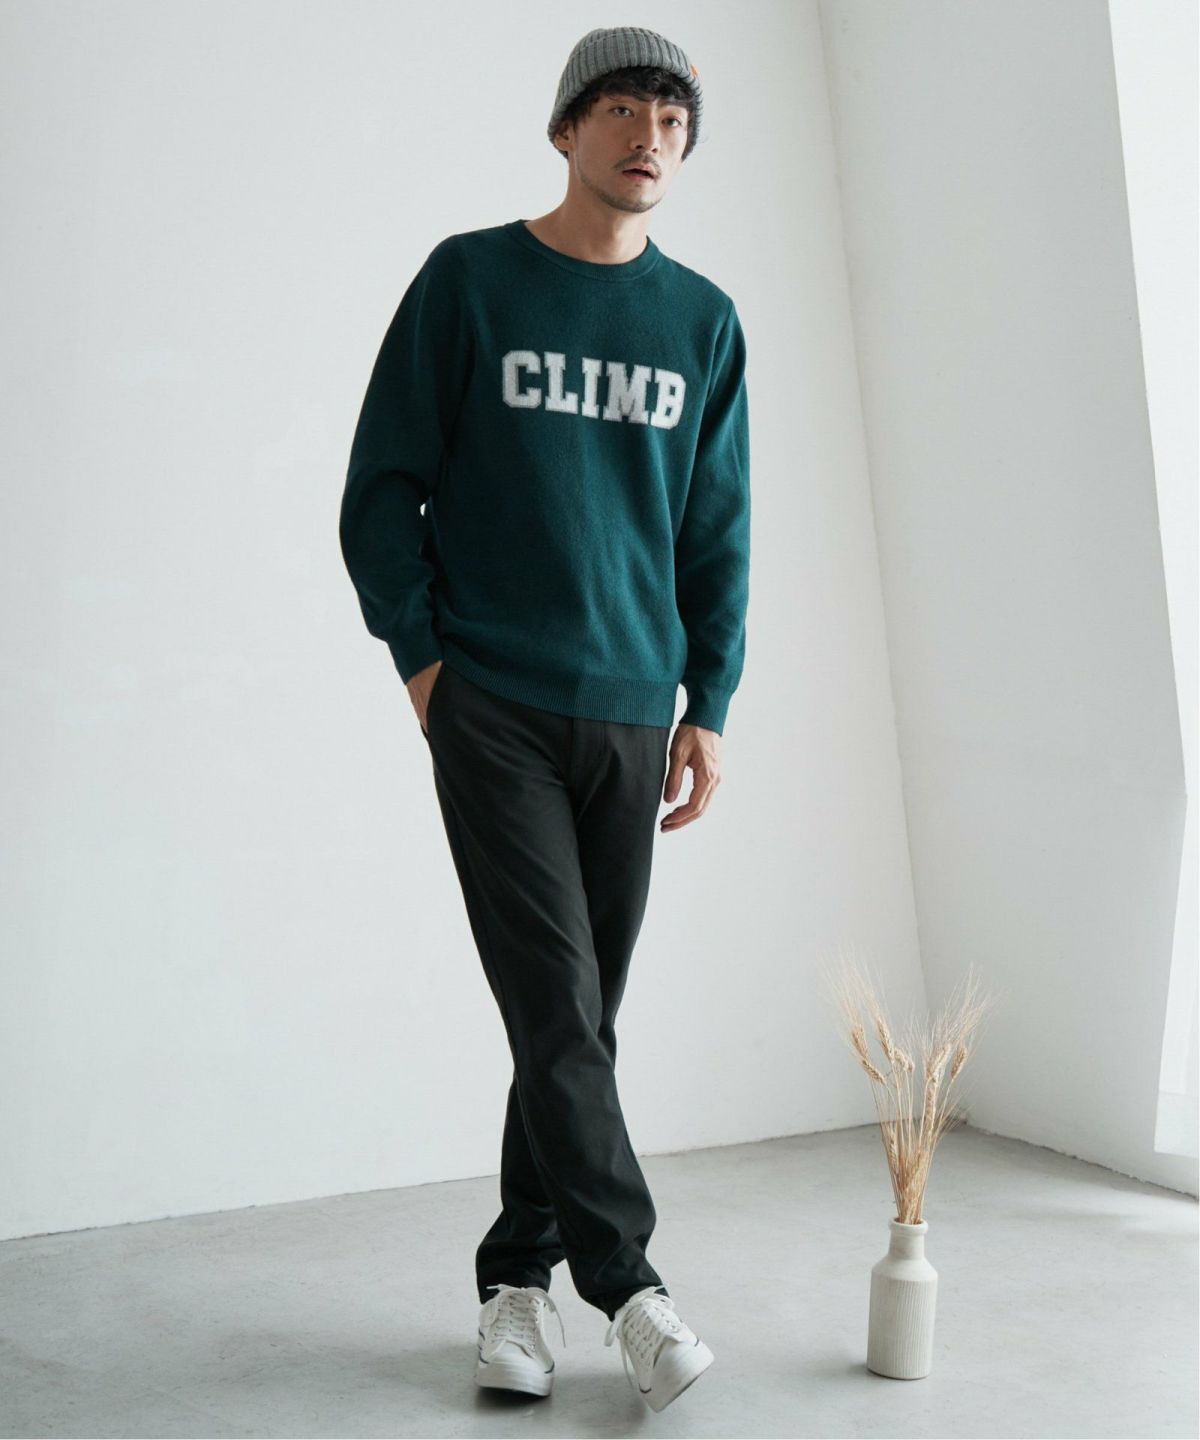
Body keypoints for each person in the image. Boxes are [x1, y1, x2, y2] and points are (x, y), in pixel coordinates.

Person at [338, 24, 750, 1414]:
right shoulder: (470, 282)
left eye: (674, 122)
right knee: (560, 1004)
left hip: (632, 711)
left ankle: (516, 1281)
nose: (650, 138)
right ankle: (628, 1288)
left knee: (570, 1016)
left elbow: (717, 529)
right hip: (496, 705)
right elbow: (379, 489)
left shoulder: (702, 321)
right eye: (623, 110)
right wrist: (426, 666)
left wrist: (709, 703)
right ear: (568, 128)